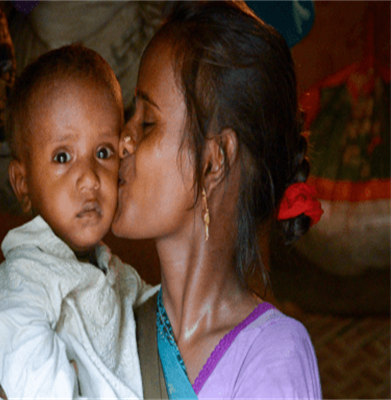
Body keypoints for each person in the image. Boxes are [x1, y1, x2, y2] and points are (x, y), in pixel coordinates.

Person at [112, 0, 323, 398]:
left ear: (214, 160)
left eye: (148, 122)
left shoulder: (273, 355)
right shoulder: (112, 329)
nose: (123, 139)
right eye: (130, 115)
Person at [0, 45, 156, 399]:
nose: (89, 178)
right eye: (62, 157)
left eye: (103, 152)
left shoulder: (119, 276)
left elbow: (169, 325)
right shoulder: (18, 288)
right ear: (23, 183)